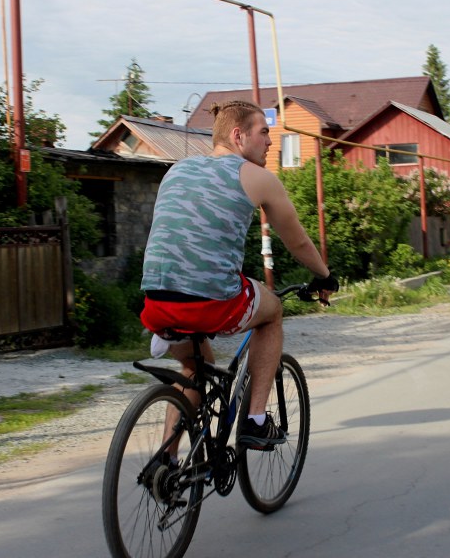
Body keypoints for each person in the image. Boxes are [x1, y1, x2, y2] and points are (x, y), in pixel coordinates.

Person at [140, 99, 338, 450]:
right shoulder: (258, 178)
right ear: (238, 136)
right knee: (273, 309)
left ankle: (167, 465)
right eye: (264, 133)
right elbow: (299, 243)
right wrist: (325, 276)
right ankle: (256, 420)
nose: (270, 142)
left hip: (156, 303)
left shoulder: (177, 170)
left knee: (195, 369)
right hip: (210, 303)